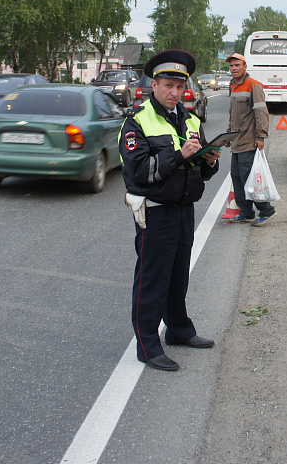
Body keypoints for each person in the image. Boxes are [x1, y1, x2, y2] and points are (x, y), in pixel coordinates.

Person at [118, 50, 220, 371]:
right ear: (154, 86)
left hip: (184, 210)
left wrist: (208, 162)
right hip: (155, 212)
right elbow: (140, 172)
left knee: (178, 277)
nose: (174, 92)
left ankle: (178, 330)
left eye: (179, 86)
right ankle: (147, 345)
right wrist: (179, 155)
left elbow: (197, 171)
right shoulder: (137, 121)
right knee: (152, 280)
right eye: (168, 85)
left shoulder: (190, 119)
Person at [225, 52, 275, 226]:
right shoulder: (233, 86)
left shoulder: (253, 86)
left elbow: (261, 113)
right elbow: (233, 115)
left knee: (249, 179)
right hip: (236, 142)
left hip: (249, 141)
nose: (234, 68)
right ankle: (246, 212)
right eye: (231, 66)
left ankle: (266, 210)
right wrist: (227, 134)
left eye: (237, 65)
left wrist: (261, 136)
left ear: (245, 67)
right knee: (237, 177)